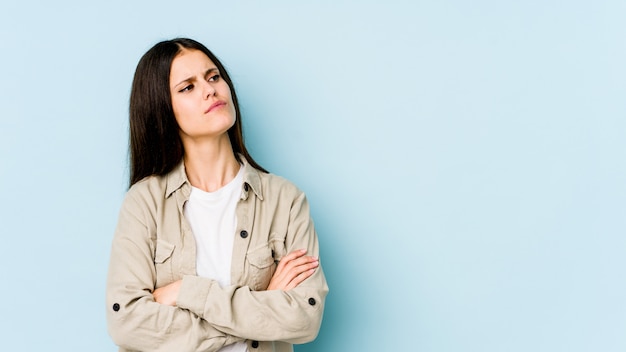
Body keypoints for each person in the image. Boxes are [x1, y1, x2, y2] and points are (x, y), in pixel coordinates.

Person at [106, 38, 328, 352]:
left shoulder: (285, 200)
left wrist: (188, 293)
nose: (210, 90)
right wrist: (261, 309)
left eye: (213, 77)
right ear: (162, 109)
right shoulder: (143, 204)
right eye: (188, 87)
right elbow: (126, 323)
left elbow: (305, 317)